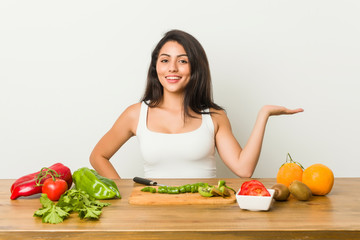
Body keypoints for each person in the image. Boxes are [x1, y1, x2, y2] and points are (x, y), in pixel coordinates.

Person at [89, 29, 303, 179]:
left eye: (182, 61)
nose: (172, 68)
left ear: (195, 68)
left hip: (207, 215)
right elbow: (98, 156)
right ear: (156, 68)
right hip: (153, 214)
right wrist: (123, 191)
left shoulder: (215, 117)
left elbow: (244, 169)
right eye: (165, 60)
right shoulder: (136, 114)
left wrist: (263, 115)